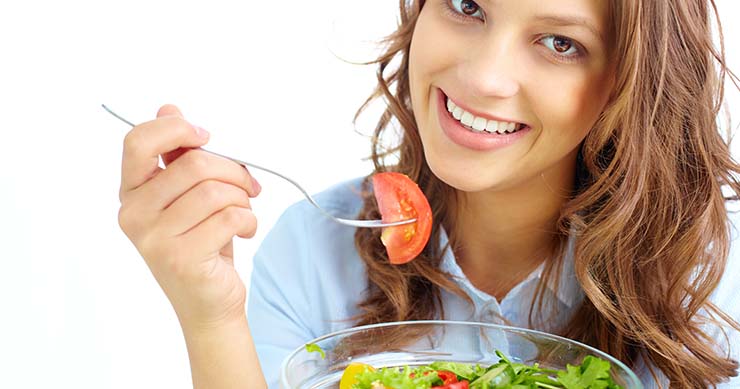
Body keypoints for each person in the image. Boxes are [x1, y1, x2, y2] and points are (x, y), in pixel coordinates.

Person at [116, 0, 740, 387]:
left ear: (630, 85)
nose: (483, 78)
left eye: (560, 43)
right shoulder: (312, 249)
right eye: (468, 5)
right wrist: (209, 317)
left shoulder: (715, 283)